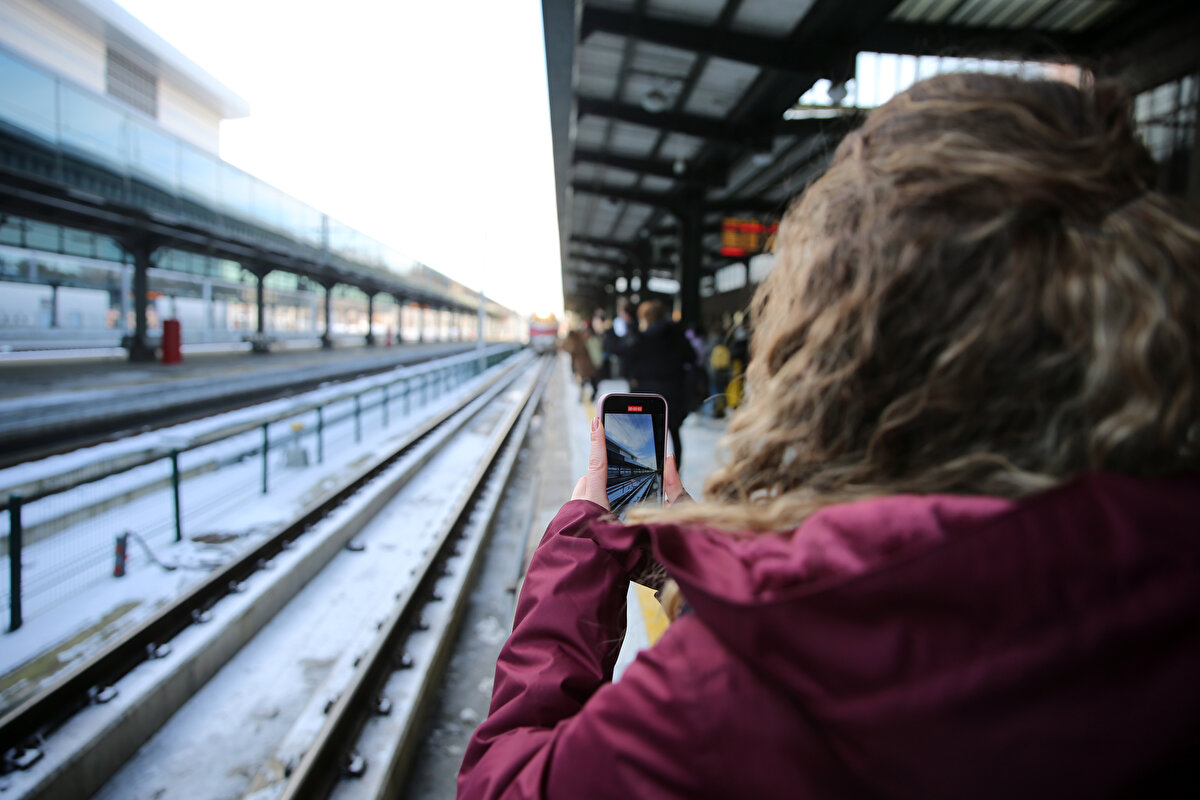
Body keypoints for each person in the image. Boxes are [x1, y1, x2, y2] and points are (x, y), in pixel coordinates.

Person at [458, 73, 1200, 799]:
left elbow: (508, 785)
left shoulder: (755, 678)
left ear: (843, 352)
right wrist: (693, 576)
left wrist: (585, 540)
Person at [617, 299, 695, 469]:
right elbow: (691, 357)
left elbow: (625, 367)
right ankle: (675, 472)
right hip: (673, 394)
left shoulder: (640, 339)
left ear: (645, 318)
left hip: (648, 398)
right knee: (674, 434)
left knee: (650, 438)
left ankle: (653, 472)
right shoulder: (676, 334)